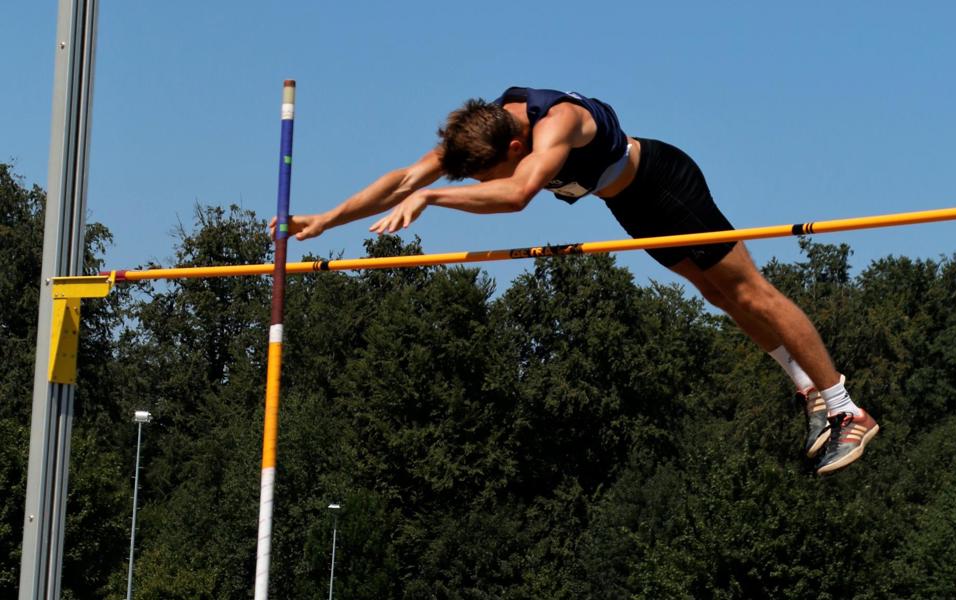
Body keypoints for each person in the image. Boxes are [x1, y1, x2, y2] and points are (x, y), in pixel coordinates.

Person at [270, 86, 879, 475]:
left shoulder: (554, 126)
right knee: (716, 295)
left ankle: (848, 410)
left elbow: (516, 196)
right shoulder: (483, 134)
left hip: (665, 184)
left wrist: (434, 199)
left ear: (517, 144)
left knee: (751, 292)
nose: (475, 181)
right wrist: (327, 218)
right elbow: (404, 177)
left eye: (486, 172)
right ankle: (808, 392)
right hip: (630, 205)